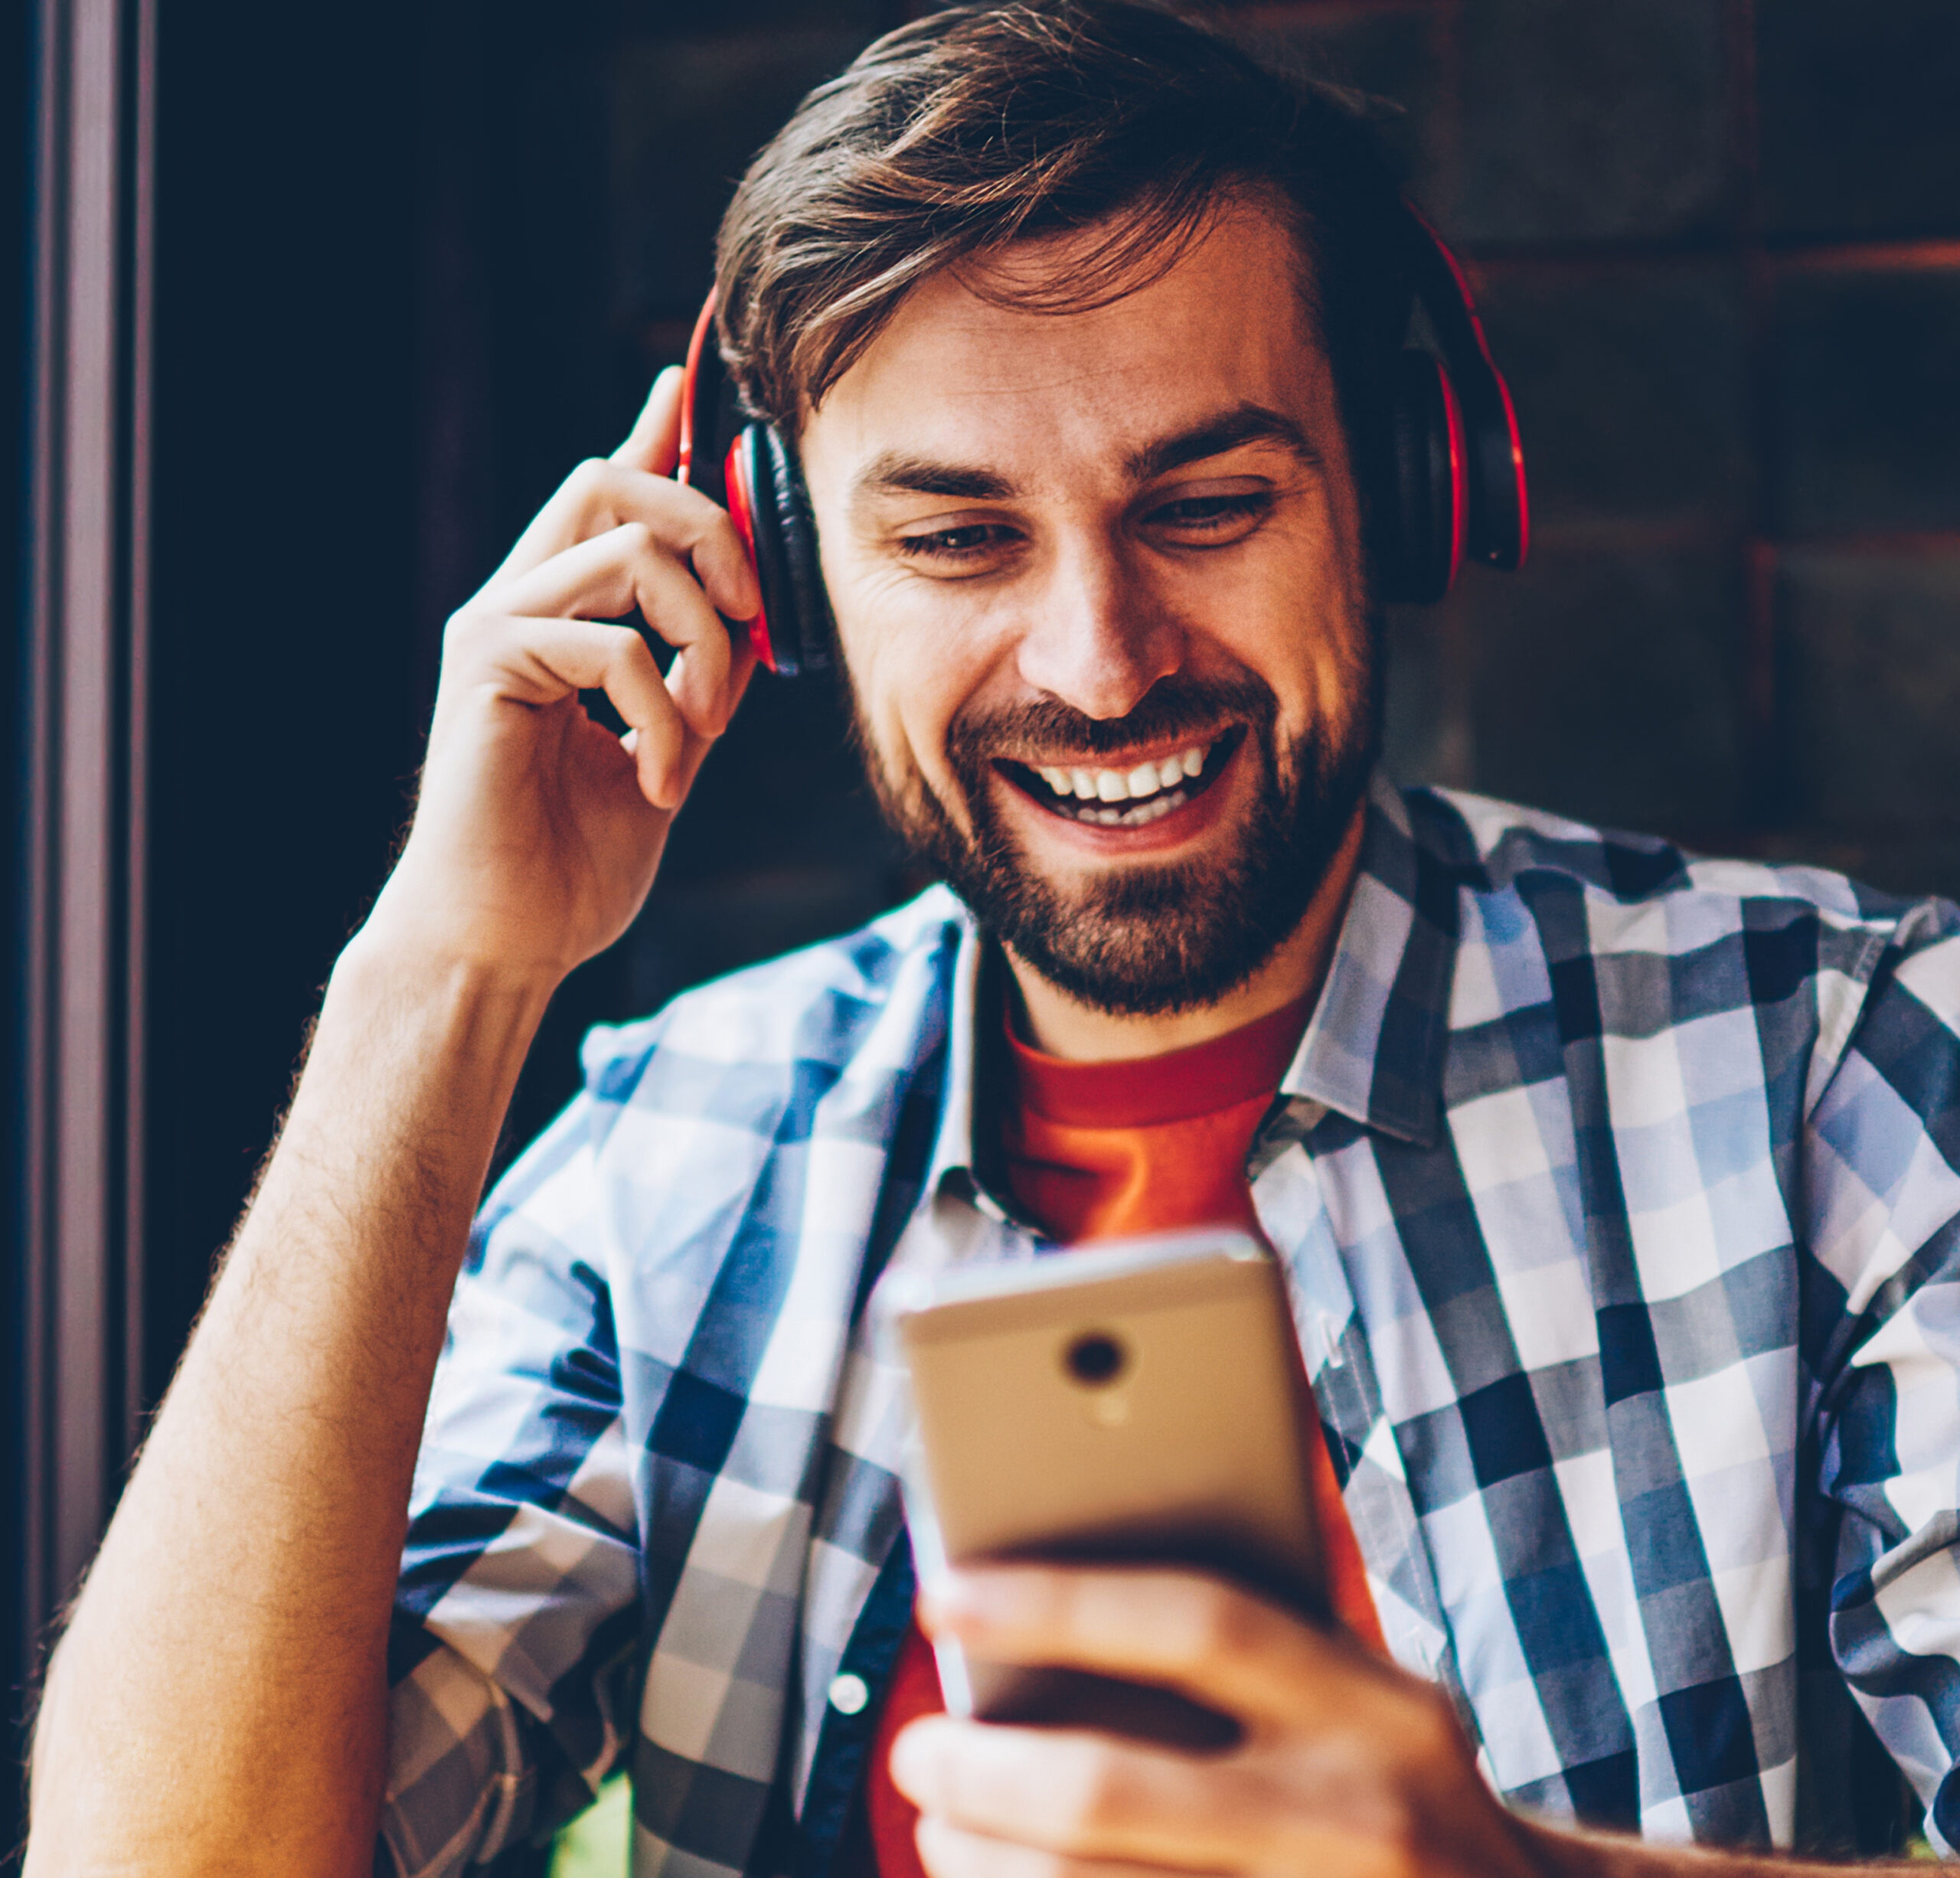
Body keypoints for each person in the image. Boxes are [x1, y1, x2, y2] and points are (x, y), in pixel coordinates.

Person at [25, 3, 1960, 1875]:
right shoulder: (669, 1162)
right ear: (781, 578)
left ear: (1399, 481)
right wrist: (437, 977)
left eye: (1204, 503)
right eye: (955, 540)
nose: (1099, 661)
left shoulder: (1840, 1061)